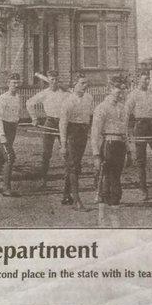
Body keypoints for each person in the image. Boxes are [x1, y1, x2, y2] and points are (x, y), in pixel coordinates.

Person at [125, 71, 152, 201]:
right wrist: (125, 131)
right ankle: (143, 190)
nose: (147, 82)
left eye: (148, 79)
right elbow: (126, 114)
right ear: (138, 80)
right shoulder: (133, 95)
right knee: (141, 161)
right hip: (140, 127)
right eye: (144, 80)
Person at [26, 70, 71, 188]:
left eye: (56, 80)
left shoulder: (65, 93)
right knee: (46, 152)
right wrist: (34, 118)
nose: (54, 82)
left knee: (66, 151)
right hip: (50, 122)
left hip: (63, 122)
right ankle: (44, 178)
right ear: (48, 80)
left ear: (58, 80)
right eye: (52, 80)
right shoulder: (44, 93)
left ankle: (69, 178)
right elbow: (29, 103)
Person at [91, 76, 130, 207]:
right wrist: (96, 154)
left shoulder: (123, 108)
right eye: (117, 89)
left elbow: (125, 131)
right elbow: (95, 132)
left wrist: (128, 149)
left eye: (122, 90)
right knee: (108, 173)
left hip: (120, 144)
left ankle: (112, 198)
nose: (121, 92)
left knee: (117, 173)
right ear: (109, 89)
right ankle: (108, 197)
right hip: (108, 144)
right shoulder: (101, 108)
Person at [59, 74, 94, 210]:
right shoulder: (68, 101)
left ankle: (65, 195)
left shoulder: (89, 98)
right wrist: (63, 144)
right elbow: (63, 124)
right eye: (82, 83)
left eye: (86, 83)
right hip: (71, 134)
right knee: (73, 166)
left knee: (75, 165)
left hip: (83, 133)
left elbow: (89, 116)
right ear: (74, 85)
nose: (85, 86)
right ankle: (76, 201)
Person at [0, 73, 22, 197]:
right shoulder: (2, 98)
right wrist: (2, 135)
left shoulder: (18, 97)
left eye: (17, 82)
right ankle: (6, 188)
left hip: (12, 129)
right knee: (10, 157)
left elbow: (16, 114)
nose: (15, 85)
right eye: (13, 83)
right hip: (3, 129)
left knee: (1, 156)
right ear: (8, 84)